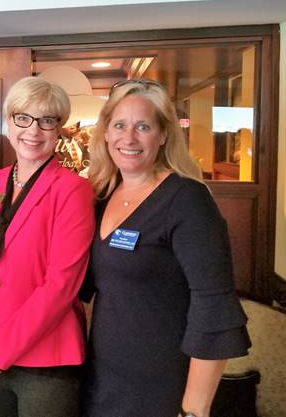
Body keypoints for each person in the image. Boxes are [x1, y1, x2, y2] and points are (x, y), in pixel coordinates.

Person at [82, 79, 251, 417]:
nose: (129, 138)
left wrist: (193, 411)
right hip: (103, 381)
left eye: (143, 126)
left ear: (163, 135)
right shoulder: (102, 194)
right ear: (105, 133)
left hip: (162, 386)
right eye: (119, 125)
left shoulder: (187, 199)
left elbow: (214, 308)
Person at [0, 76, 95, 417]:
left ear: (60, 128)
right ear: (8, 121)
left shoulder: (73, 190)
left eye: (47, 120)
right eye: (23, 118)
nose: (33, 131)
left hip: (46, 359)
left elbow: (62, 286)